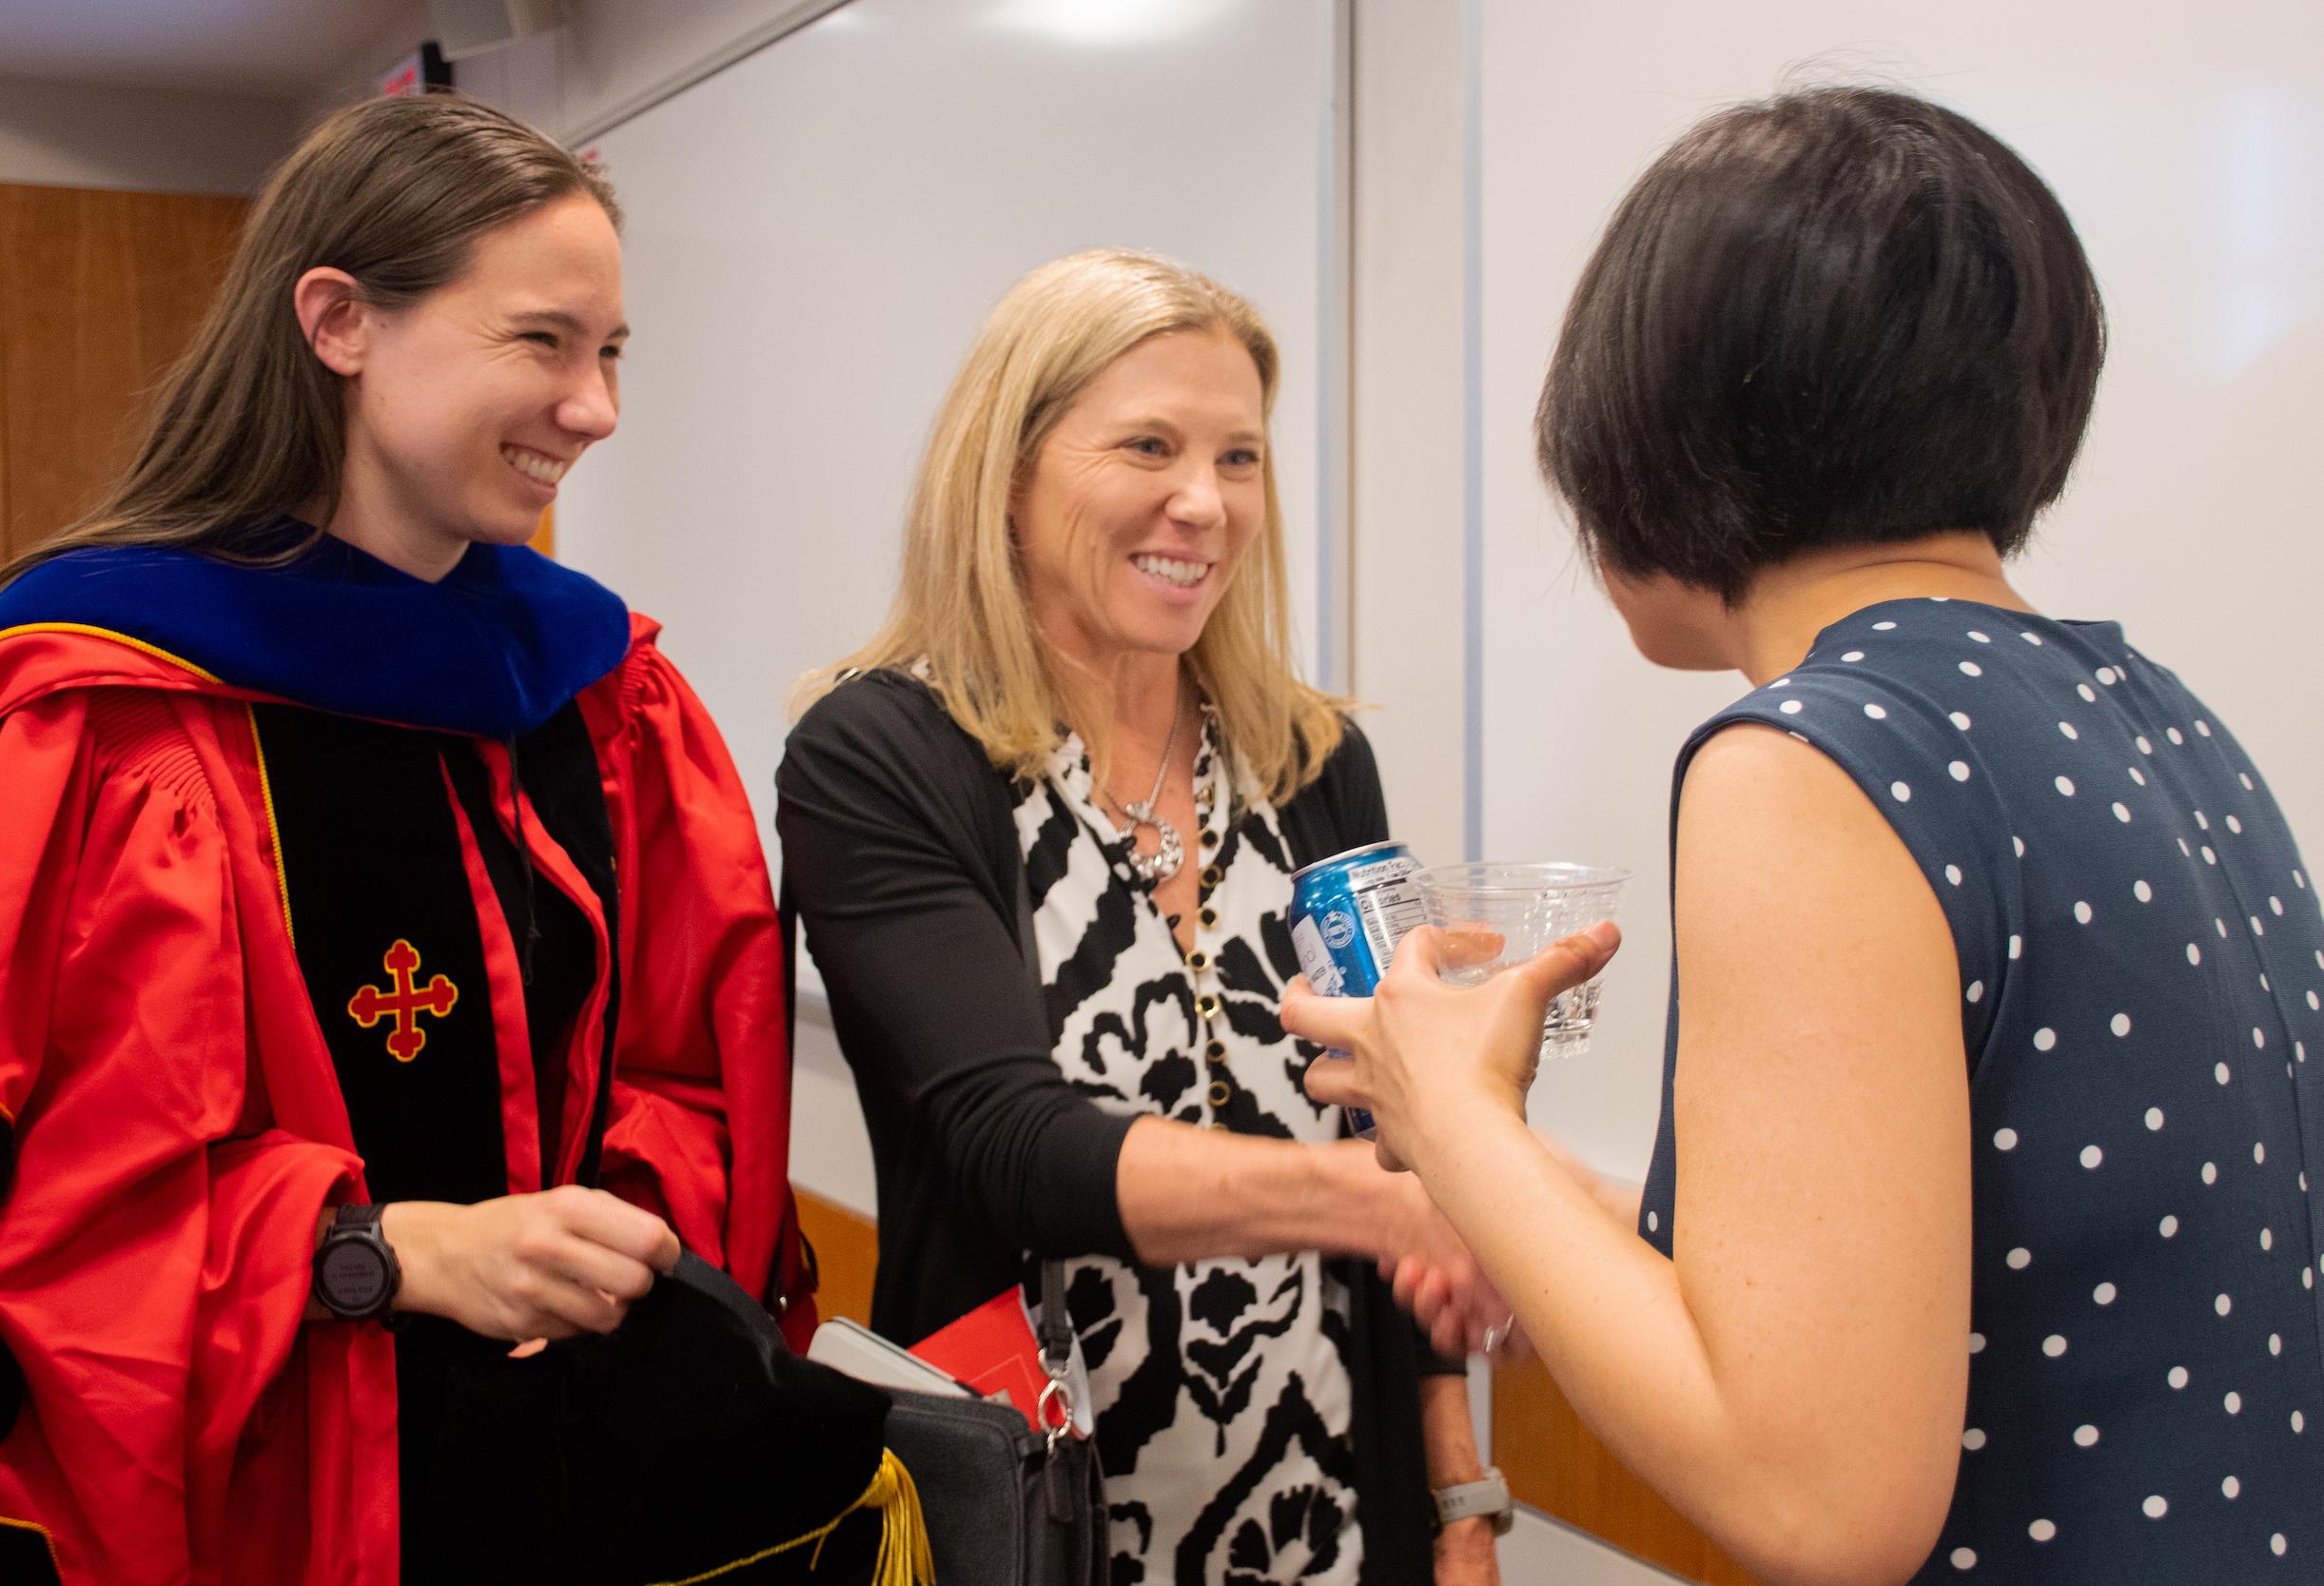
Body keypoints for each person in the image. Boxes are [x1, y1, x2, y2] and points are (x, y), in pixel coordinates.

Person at [1287, 85, 2324, 1584]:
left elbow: (1819, 1498)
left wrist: (1447, 1107)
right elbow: (1926, 1277)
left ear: (1659, 428)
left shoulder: (1818, 756)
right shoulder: (2153, 716)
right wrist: (1505, 1194)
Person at [0, 95, 815, 1585]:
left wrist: (616, 1222)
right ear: (340, 321)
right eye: (543, 342)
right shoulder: (99, 716)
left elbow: (685, 1068)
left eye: (609, 354)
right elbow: (59, 1208)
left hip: (579, 1474)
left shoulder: (605, 699)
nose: (596, 407)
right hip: (277, 1503)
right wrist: (387, 1252)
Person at [777, 248, 1511, 1585]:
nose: (1205, 503)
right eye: (1150, 446)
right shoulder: (884, 754)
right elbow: (1018, 1149)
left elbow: (1397, 1141)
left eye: (1239, 458)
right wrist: (1364, 1203)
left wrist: (1463, 1493)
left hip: (1335, 1520)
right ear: (1007, 477)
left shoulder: (1313, 761)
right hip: (1042, 1518)